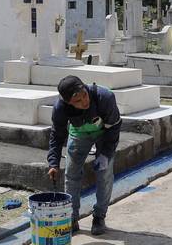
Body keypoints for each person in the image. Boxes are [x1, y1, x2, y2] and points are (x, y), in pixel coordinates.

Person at [47, 75, 122, 235]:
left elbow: (114, 127)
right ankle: (72, 218)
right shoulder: (60, 107)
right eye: (78, 101)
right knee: (71, 174)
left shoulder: (105, 97)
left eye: (85, 96)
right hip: (78, 133)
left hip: (105, 133)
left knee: (104, 173)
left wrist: (105, 155)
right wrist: (53, 163)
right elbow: (57, 135)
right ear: (68, 102)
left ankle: (99, 217)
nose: (84, 101)